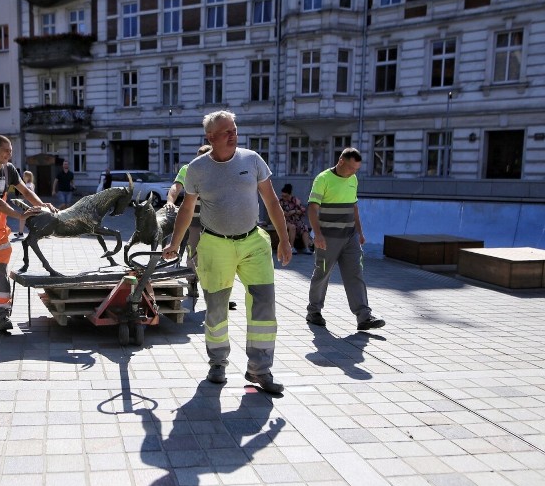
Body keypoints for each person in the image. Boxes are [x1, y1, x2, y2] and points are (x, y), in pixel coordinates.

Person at [163, 111, 292, 394]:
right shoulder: (197, 168)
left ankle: (259, 369)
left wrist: (283, 239)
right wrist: (175, 243)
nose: (233, 135)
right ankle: (218, 363)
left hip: (253, 242)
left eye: (234, 129)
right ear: (210, 138)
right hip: (214, 244)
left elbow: (271, 201)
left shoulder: (252, 160)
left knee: (264, 305)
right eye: (226, 132)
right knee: (218, 307)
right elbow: (186, 208)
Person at [0, 136, 55, 332]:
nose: (9, 154)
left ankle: (2, 314)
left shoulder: (10, 170)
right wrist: (20, 215)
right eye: (5, 150)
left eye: (11, 151)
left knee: (1, 271)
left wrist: (41, 205)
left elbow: (25, 191)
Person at [305, 147, 386, 331]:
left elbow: (354, 207)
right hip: (328, 238)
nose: (353, 172)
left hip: (350, 237)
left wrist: (360, 231)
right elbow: (312, 208)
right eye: (351, 168)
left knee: (355, 274)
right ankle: (314, 311)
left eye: (356, 169)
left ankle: (364, 316)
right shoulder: (323, 179)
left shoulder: (353, 179)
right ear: (341, 161)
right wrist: (317, 234)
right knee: (322, 274)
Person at [166, 145, 213, 300]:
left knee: (218, 256)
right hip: (194, 220)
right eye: (198, 157)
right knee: (193, 253)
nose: (199, 161)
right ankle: (192, 283)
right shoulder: (187, 169)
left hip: (215, 221)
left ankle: (218, 292)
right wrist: (170, 201)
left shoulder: (218, 169)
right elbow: (176, 187)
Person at [279, 183, 313, 255]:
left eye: (286, 196)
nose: (284, 197)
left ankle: (306, 248)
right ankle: (291, 247)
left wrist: (294, 211)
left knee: (305, 227)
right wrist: (284, 213)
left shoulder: (295, 200)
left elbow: (303, 210)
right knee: (292, 227)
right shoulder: (281, 201)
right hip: (286, 221)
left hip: (296, 220)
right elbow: (277, 211)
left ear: (289, 194)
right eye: (283, 196)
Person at [15, 170, 36, 238]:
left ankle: (21, 233)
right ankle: (21, 233)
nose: (23, 177)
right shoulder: (31, 184)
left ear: (27, 177)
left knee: (23, 218)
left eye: (24, 175)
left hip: (27, 204)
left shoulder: (28, 185)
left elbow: (29, 195)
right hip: (30, 204)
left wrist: (21, 200)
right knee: (27, 218)